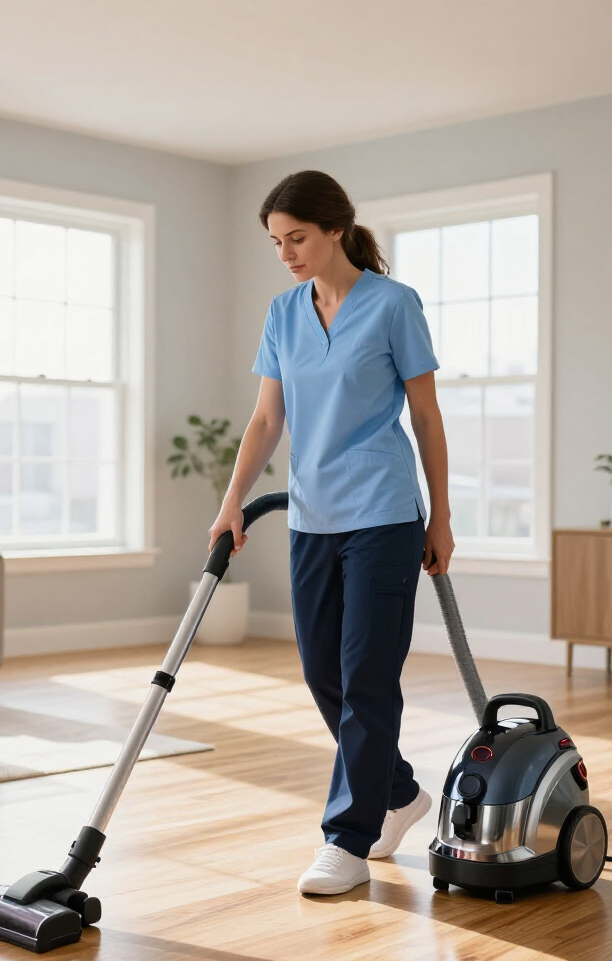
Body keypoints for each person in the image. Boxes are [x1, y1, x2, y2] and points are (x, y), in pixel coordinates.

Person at [209, 169, 454, 896]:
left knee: (368, 677)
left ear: (335, 230)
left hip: (383, 512)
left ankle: (346, 838)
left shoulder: (393, 305)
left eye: (298, 238)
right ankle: (402, 793)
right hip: (312, 515)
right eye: (277, 243)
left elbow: (427, 416)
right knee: (324, 672)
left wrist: (439, 515)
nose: (286, 253)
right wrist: (231, 503)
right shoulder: (284, 313)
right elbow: (265, 420)